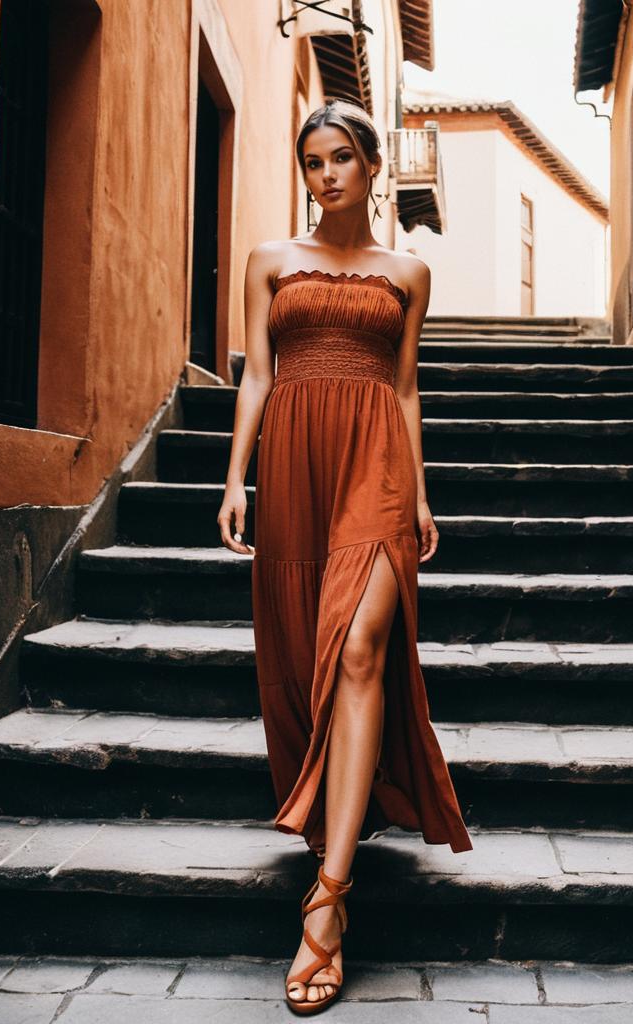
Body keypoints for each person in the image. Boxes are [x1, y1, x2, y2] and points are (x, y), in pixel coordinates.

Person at [218, 98, 472, 1015]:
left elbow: (403, 389)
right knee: (303, 651)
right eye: (312, 162)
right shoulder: (270, 261)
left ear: (371, 168)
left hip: (375, 470)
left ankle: (326, 905)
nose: (326, 176)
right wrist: (235, 478)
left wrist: (422, 492)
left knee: (361, 645)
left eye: (341, 160)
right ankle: (333, 821)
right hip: (292, 465)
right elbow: (257, 371)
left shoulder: (408, 270)